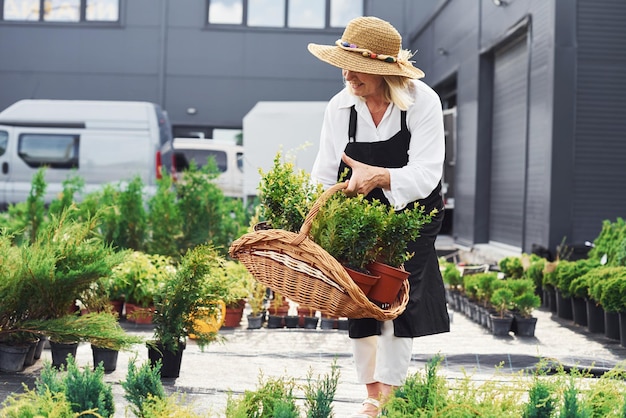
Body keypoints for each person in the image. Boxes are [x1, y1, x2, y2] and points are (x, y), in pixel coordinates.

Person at [307, 16, 450, 417]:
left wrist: (380, 176)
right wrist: (315, 222)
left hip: (414, 214)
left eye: (358, 68)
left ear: (385, 73)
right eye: (343, 65)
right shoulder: (340, 107)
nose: (348, 74)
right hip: (360, 215)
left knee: (396, 298)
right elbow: (323, 173)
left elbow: (426, 174)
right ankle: (371, 392)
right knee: (360, 299)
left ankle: (386, 393)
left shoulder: (422, 101)